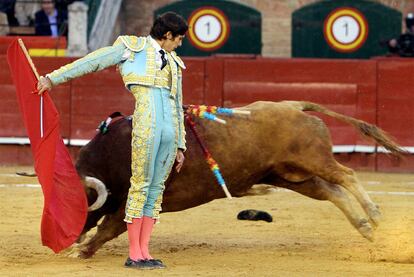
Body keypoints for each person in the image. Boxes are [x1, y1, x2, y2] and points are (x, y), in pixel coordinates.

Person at [37, 11, 188, 270]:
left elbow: (177, 104)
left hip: (169, 132)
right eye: (179, 39)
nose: (180, 44)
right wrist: (52, 78)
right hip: (147, 124)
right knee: (141, 187)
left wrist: (181, 144)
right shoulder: (132, 48)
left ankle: (145, 251)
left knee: (156, 191)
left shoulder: (175, 63)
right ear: (167, 35)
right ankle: (134, 253)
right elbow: (91, 62)